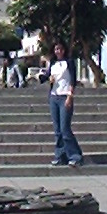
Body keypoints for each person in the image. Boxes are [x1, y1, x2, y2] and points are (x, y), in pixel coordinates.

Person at [44, 39, 83, 167]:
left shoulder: (69, 62)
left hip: (65, 96)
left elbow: (72, 80)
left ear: (64, 50)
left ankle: (75, 155)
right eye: (56, 49)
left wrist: (70, 96)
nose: (58, 51)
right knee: (57, 130)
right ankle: (60, 155)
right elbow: (46, 77)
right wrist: (48, 79)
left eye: (60, 49)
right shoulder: (53, 63)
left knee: (65, 128)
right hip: (54, 96)